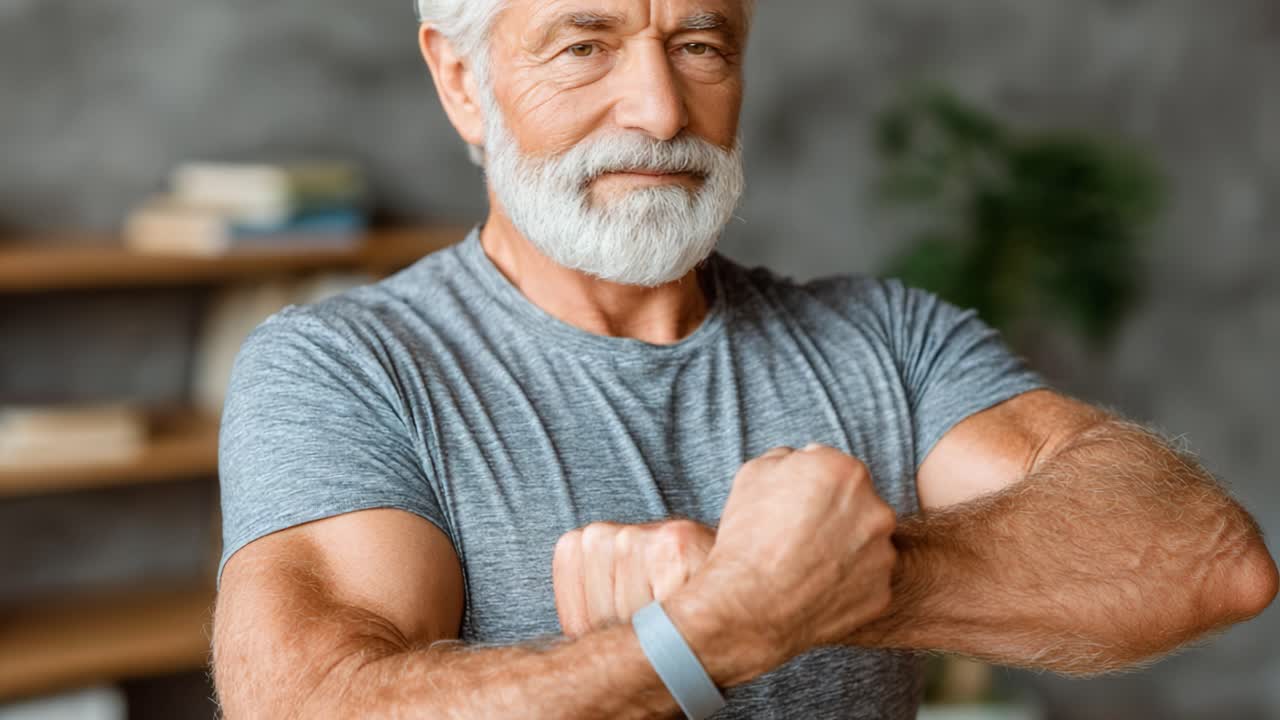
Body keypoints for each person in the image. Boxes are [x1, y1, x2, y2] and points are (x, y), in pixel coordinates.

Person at [210, 1, 1278, 718]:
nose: (661, 110)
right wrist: (711, 628)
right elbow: (311, 699)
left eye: (699, 46)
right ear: (460, 79)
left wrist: (838, 581)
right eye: (583, 46)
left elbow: (1202, 558)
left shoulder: (883, 339)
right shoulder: (343, 368)